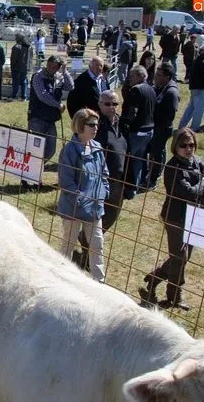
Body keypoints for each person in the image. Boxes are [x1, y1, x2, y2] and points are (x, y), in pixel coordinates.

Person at [139, 128, 204, 310]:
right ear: (175, 147)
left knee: (181, 257)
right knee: (180, 256)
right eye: (184, 145)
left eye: (192, 145)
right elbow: (185, 192)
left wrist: (200, 187)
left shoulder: (197, 161)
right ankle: (175, 296)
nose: (189, 149)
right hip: (175, 217)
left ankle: (155, 278)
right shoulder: (172, 167)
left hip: (195, 216)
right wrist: (202, 187)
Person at [74, 90, 128, 271]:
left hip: (119, 181)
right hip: (100, 180)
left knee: (110, 218)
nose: (111, 108)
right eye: (107, 104)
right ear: (100, 104)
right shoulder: (97, 126)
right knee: (95, 220)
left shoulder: (122, 123)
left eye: (115, 104)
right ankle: (87, 256)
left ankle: (85, 246)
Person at [57, 108, 109, 283]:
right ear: (80, 126)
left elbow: (104, 175)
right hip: (74, 208)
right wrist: (80, 200)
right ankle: (61, 278)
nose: (96, 128)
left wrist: (104, 193)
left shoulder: (98, 148)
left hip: (94, 208)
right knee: (68, 244)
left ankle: (99, 283)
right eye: (91, 124)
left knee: (97, 245)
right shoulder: (69, 151)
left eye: (97, 124)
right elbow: (66, 182)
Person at [28, 55, 74, 169]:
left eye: (54, 67)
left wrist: (65, 70)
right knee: (35, 150)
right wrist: (58, 105)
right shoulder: (38, 76)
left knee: (50, 150)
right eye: (49, 65)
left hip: (51, 119)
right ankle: (30, 175)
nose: (51, 68)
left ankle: (35, 169)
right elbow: (42, 95)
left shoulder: (59, 77)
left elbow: (70, 87)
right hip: (37, 118)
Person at [120, 65, 155, 198]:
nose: (130, 79)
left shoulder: (135, 90)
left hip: (137, 131)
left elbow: (131, 112)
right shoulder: (151, 89)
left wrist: (124, 124)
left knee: (128, 159)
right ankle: (136, 185)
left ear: (141, 76)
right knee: (139, 159)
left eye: (132, 76)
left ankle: (129, 188)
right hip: (149, 130)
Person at [147, 62, 180, 190]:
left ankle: (153, 180)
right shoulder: (159, 86)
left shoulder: (171, 93)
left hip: (162, 128)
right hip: (154, 126)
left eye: (159, 75)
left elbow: (169, 115)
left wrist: (158, 127)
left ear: (167, 77)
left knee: (156, 154)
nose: (156, 76)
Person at [178, 45, 204, 132]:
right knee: (199, 109)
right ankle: (195, 127)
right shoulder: (202, 63)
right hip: (200, 88)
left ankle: (182, 125)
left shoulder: (196, 61)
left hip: (194, 88)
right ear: (203, 53)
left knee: (191, 107)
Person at [9, 33, 33, 101]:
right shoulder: (29, 47)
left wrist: (12, 66)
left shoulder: (16, 47)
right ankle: (24, 97)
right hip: (26, 67)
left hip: (17, 67)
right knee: (24, 81)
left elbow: (13, 59)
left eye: (16, 37)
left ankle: (14, 96)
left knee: (16, 82)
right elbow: (31, 57)